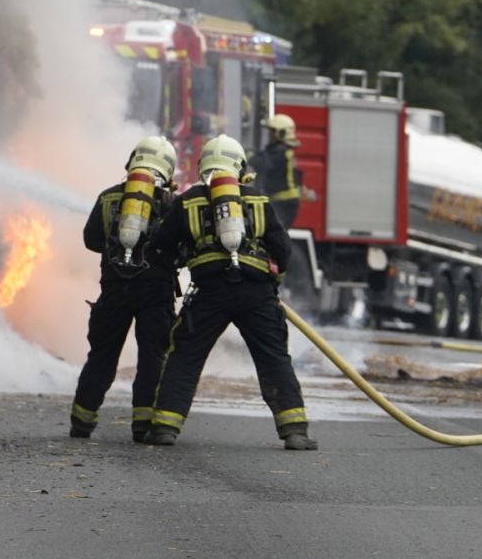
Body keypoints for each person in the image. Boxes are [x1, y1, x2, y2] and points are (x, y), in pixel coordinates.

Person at [143, 134, 318, 451]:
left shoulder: (188, 201)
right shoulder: (258, 200)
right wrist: (273, 282)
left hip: (209, 292)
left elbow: (160, 247)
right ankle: (295, 431)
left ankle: (164, 428)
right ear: (239, 166)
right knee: (274, 359)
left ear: (203, 166)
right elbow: (283, 249)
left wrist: (182, 257)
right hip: (256, 292)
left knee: (184, 358)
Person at [70, 136, 181, 443]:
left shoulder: (108, 198)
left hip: (114, 289)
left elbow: (91, 239)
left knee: (102, 357)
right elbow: (182, 245)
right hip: (156, 292)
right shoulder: (172, 204)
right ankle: (142, 425)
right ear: (168, 169)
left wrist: (115, 247)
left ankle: (82, 421)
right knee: (151, 358)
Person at [252, 113, 303, 228]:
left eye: (272, 132)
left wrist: (249, 156)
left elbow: (264, 164)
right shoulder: (281, 151)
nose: (270, 135)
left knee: (275, 232)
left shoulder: (282, 152)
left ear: (281, 133)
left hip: (284, 202)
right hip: (283, 201)